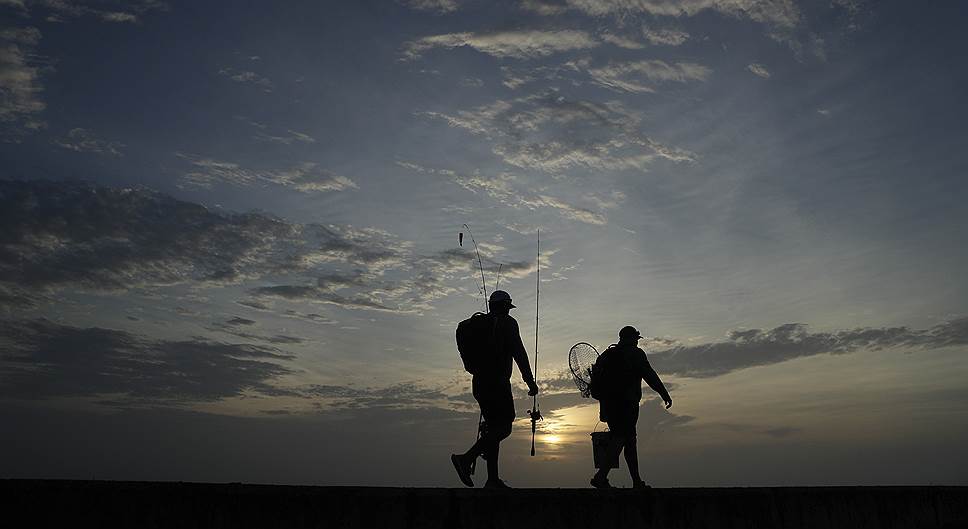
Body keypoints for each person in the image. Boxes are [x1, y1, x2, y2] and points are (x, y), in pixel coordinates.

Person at [451, 290, 539, 489]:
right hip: (497, 383)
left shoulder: (478, 326)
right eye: (508, 307)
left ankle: (492, 480)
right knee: (504, 427)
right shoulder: (508, 323)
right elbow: (519, 353)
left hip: (479, 383)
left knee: (493, 428)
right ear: (506, 307)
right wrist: (530, 382)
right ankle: (466, 459)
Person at [591, 325, 672, 489]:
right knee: (621, 439)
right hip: (627, 405)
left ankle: (636, 481)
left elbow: (598, 384)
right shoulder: (635, 354)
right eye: (636, 338)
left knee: (629, 440)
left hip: (609, 406)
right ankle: (600, 477)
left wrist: (604, 409)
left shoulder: (607, 355)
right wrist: (664, 394)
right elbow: (650, 376)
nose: (637, 342)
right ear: (632, 339)